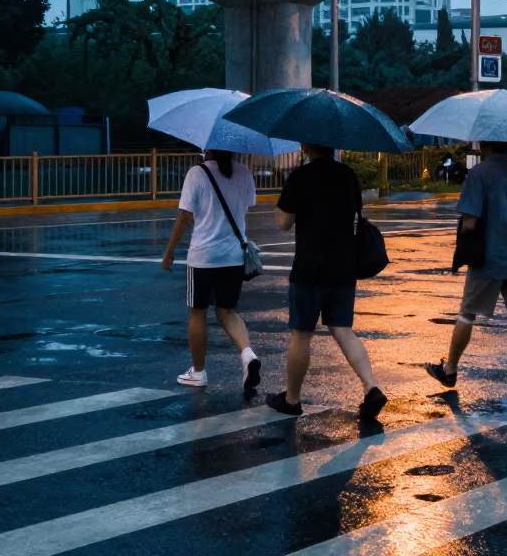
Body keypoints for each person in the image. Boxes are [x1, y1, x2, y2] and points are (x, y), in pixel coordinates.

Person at [266, 144, 387, 419]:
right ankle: (371, 387)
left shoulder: (301, 176)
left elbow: (284, 221)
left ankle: (292, 399)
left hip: (310, 268)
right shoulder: (348, 175)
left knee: (302, 333)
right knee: (343, 329)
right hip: (344, 267)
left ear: (308, 145)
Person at [426, 141, 507, 398]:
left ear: (485, 145)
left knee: (467, 314)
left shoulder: (478, 174)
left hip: (488, 257)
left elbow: (470, 222)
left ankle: (450, 369)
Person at [161, 149, 260, 392]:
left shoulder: (197, 173)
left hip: (203, 257)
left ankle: (198, 372)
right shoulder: (244, 172)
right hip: (234, 256)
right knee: (227, 311)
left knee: (197, 314)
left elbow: (184, 217)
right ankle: (248, 355)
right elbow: (245, 208)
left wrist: (169, 251)